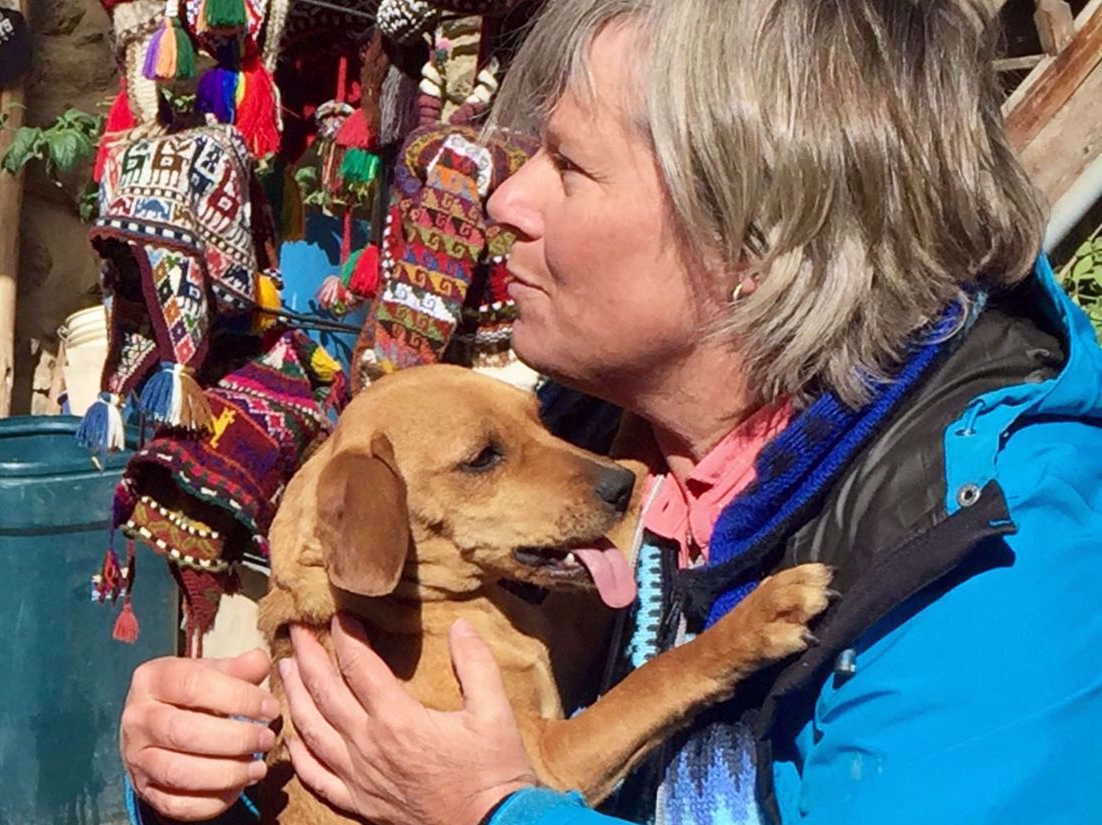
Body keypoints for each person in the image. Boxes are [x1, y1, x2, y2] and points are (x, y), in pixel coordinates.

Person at [119, 0, 1102, 822]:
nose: (504, 201)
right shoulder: (584, 435)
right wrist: (208, 786)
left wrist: (491, 810)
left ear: (755, 237)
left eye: (568, 164)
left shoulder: (994, 553)